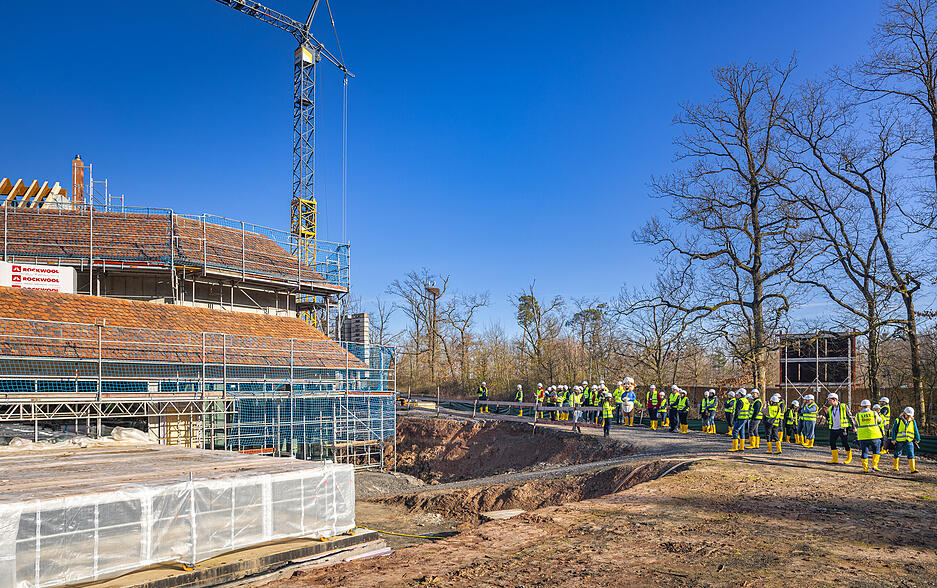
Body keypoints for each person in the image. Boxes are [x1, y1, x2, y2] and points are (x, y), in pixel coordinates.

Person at [824, 392, 856, 465]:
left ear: (835, 400)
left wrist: (854, 427)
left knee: (845, 443)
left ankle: (849, 458)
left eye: (829, 400)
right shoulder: (830, 408)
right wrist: (826, 413)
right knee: (832, 443)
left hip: (842, 428)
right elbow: (829, 419)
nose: (828, 402)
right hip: (833, 428)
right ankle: (835, 459)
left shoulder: (843, 406)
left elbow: (850, 417)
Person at [855, 399, 884, 473]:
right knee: (876, 450)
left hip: (863, 436)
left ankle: (865, 468)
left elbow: (856, 423)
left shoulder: (858, 415)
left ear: (862, 407)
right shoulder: (874, 413)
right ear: (869, 406)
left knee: (864, 452)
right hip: (874, 435)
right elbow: (880, 420)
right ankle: (875, 466)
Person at [891, 407, 920, 473]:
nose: (909, 416)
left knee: (911, 453)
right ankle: (895, 467)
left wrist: (917, 438)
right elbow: (893, 430)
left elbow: (916, 430)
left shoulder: (913, 421)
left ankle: (913, 469)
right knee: (897, 453)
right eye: (908, 415)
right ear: (904, 413)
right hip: (899, 441)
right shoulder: (898, 420)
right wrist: (893, 439)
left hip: (909, 440)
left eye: (910, 415)